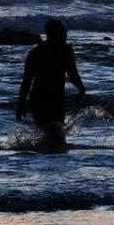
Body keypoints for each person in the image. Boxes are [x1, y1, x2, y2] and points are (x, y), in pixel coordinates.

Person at [15, 17, 88, 147]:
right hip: (39, 99)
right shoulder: (37, 53)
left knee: (58, 133)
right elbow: (26, 81)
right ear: (53, 35)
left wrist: (80, 87)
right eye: (62, 33)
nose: (65, 35)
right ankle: (41, 152)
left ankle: (51, 155)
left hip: (57, 99)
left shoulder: (66, 50)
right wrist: (21, 105)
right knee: (48, 131)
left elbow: (72, 73)